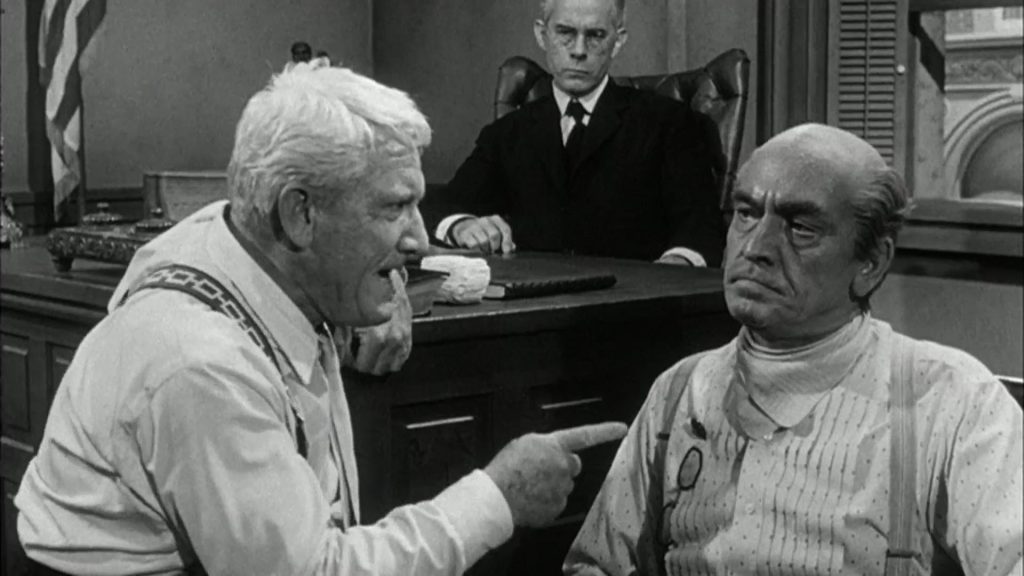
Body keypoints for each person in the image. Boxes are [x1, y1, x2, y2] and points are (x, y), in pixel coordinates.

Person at [15, 61, 627, 575]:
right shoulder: (202, 367)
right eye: (394, 207)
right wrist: (497, 498)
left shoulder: (227, 241)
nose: (419, 239)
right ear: (301, 214)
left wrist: (369, 301)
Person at [563, 123, 1023, 575]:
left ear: (871, 262)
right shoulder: (679, 390)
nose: (755, 247)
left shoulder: (951, 400)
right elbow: (595, 565)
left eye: (801, 228)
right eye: (746, 213)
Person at [429, 0, 724, 266]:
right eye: (565, 33)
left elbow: (703, 229)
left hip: (634, 299)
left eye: (595, 35)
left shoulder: (672, 123)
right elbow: (442, 206)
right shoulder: (507, 133)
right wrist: (461, 225)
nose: (579, 51)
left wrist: (677, 263)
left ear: (618, 40)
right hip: (533, 300)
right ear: (542, 34)